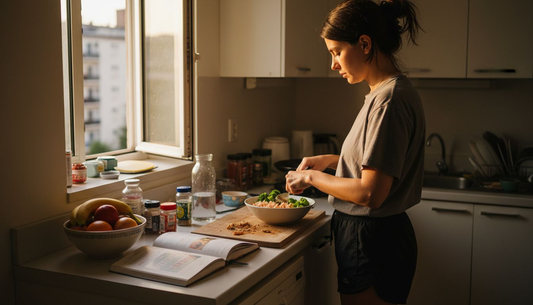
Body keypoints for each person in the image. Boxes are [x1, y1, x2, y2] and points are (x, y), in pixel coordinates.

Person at [285, 0, 425, 304]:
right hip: (377, 236)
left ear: (364, 44)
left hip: (372, 239)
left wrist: (310, 176)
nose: (333, 64)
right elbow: (379, 165)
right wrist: (333, 161)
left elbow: (370, 193)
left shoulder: (388, 101)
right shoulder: (385, 93)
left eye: (336, 52)